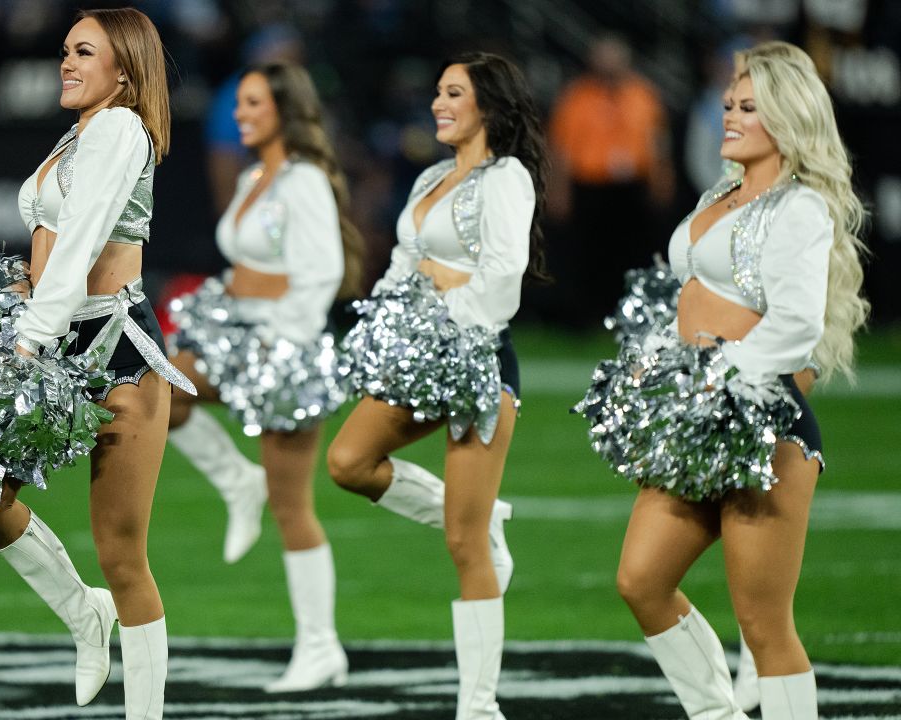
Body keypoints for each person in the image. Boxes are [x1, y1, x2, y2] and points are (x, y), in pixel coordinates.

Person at [579, 41, 869, 719]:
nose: (728, 117)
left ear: (788, 120)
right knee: (641, 581)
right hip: (696, 418)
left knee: (765, 625)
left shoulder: (799, 208)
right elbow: (691, 297)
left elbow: (795, 326)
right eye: (729, 104)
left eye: (748, 108)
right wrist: (656, 358)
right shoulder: (719, 193)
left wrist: (716, 378)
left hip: (761, 425)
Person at [0, 9, 191, 719]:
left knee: (122, 554)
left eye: (83, 52)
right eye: (65, 50)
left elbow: (84, 240)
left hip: (114, 348)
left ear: (125, 70)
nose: (66, 62)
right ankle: (83, 615)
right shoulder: (78, 133)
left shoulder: (120, 129)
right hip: (51, 337)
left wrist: (30, 334)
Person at [328, 52, 548, 718]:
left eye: (454, 93)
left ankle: (478, 706)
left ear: (489, 105)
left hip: (478, 361)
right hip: (418, 353)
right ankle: (483, 513)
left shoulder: (506, 176)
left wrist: (447, 292)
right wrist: (404, 311)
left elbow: (502, 282)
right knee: (348, 462)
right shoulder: (429, 177)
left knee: (463, 543)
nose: (438, 104)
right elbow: (403, 266)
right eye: (437, 93)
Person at [165, 62, 362, 692]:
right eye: (238, 104)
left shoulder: (303, 180)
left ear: (285, 109)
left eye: (252, 103)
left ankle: (320, 646)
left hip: (284, 344)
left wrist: (282, 343)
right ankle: (234, 481)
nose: (239, 114)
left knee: (292, 506)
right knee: (159, 391)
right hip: (237, 331)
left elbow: (322, 271)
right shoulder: (254, 176)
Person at [546, 34, 675, 326]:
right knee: (590, 256)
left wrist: (661, 180)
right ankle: (590, 316)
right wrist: (558, 190)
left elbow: (658, 142)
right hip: (591, 187)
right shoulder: (577, 97)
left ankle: (631, 315)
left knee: (632, 255)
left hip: (632, 188)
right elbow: (561, 148)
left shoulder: (643, 95)